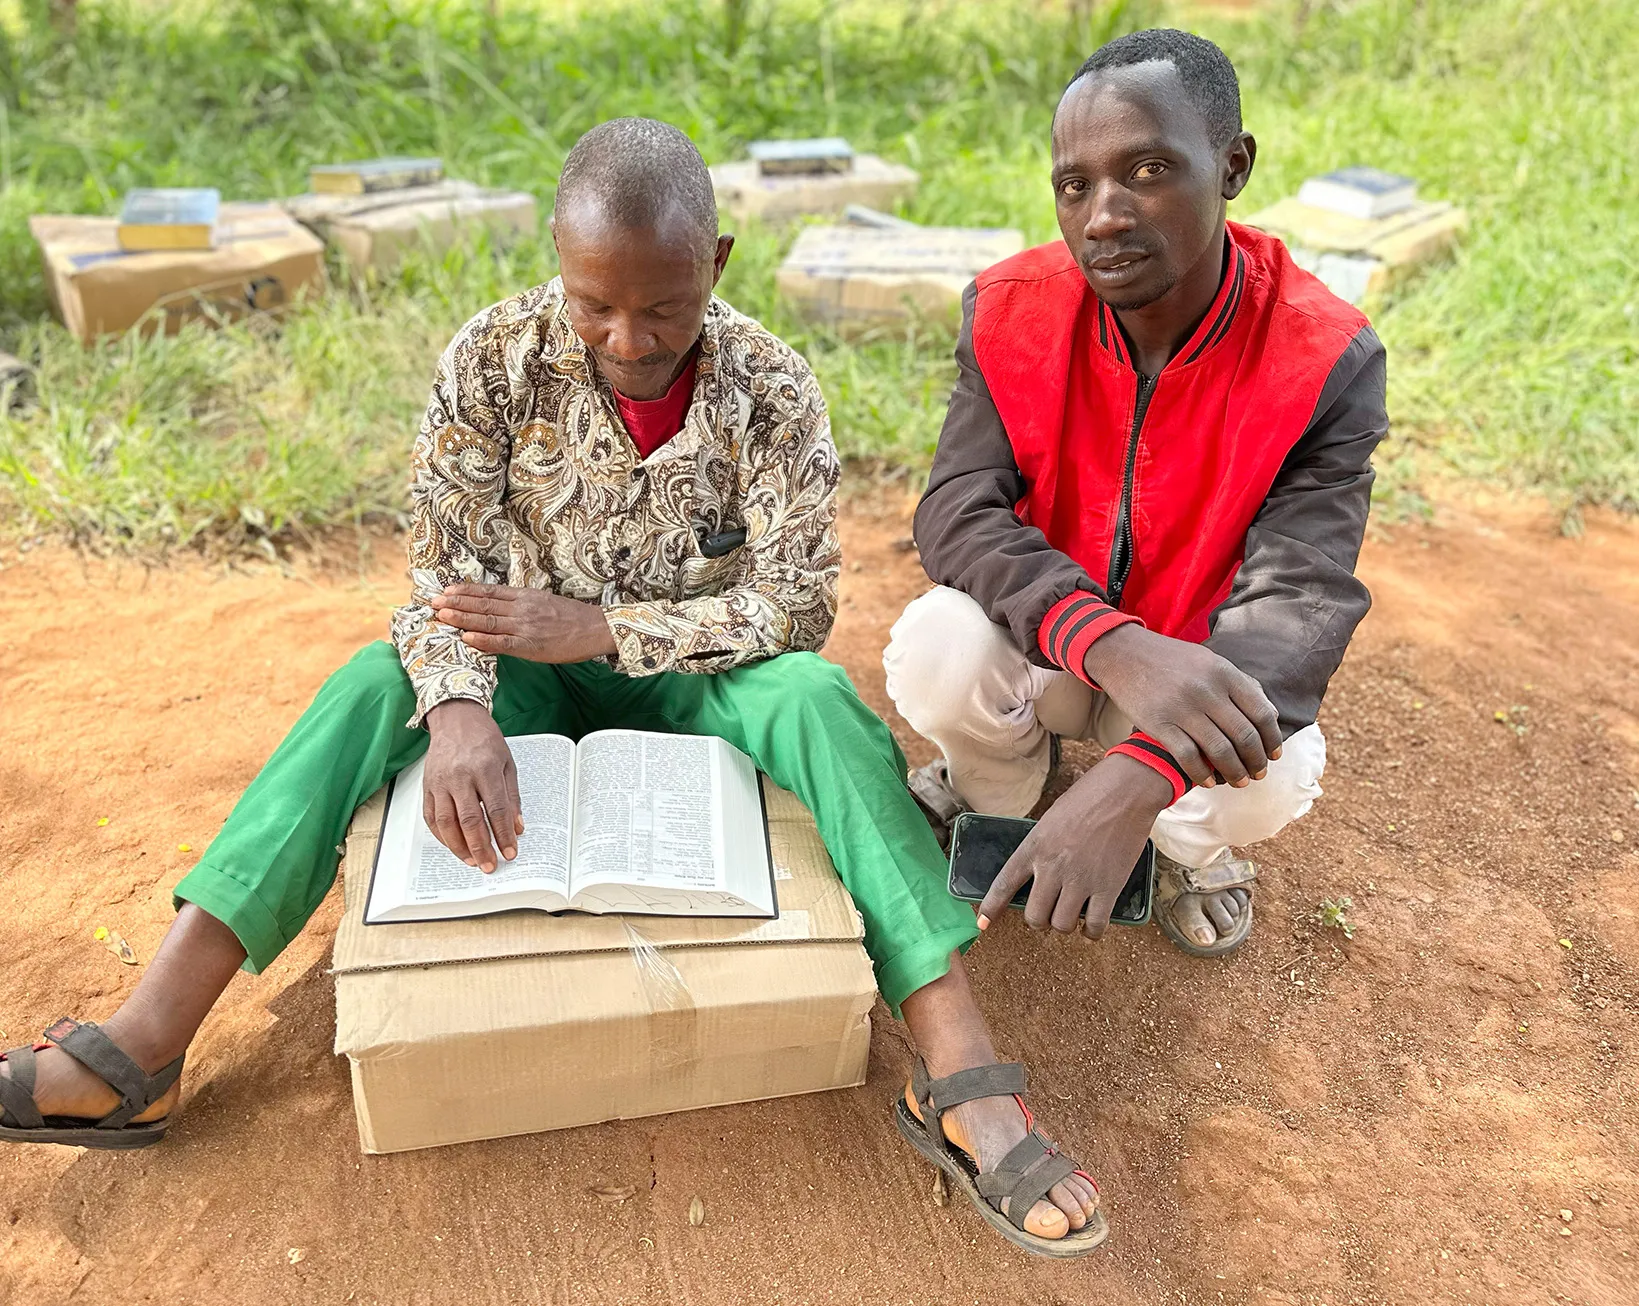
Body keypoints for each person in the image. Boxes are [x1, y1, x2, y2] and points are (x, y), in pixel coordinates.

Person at [1, 119, 1106, 1256]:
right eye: (593, 304)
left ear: (716, 262)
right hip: (518, 675)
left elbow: (795, 604)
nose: (627, 339)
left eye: (663, 308)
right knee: (365, 688)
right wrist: (461, 707)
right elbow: (443, 570)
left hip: (700, 683)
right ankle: (145, 1044)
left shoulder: (775, 386)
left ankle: (960, 1064)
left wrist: (602, 628)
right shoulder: (489, 357)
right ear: (556, 260)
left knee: (820, 700)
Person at [887, 30, 1388, 956]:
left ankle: (1187, 853)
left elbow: (1299, 602)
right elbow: (957, 507)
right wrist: (1106, 643)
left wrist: (1139, 775)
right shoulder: (1010, 311)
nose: (1103, 217)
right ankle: (1001, 794)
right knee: (936, 648)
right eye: (1073, 185)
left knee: (1269, 773)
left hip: (1187, 676)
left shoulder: (1321, 356)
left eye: (1148, 169)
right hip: (1051, 646)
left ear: (1231, 165)